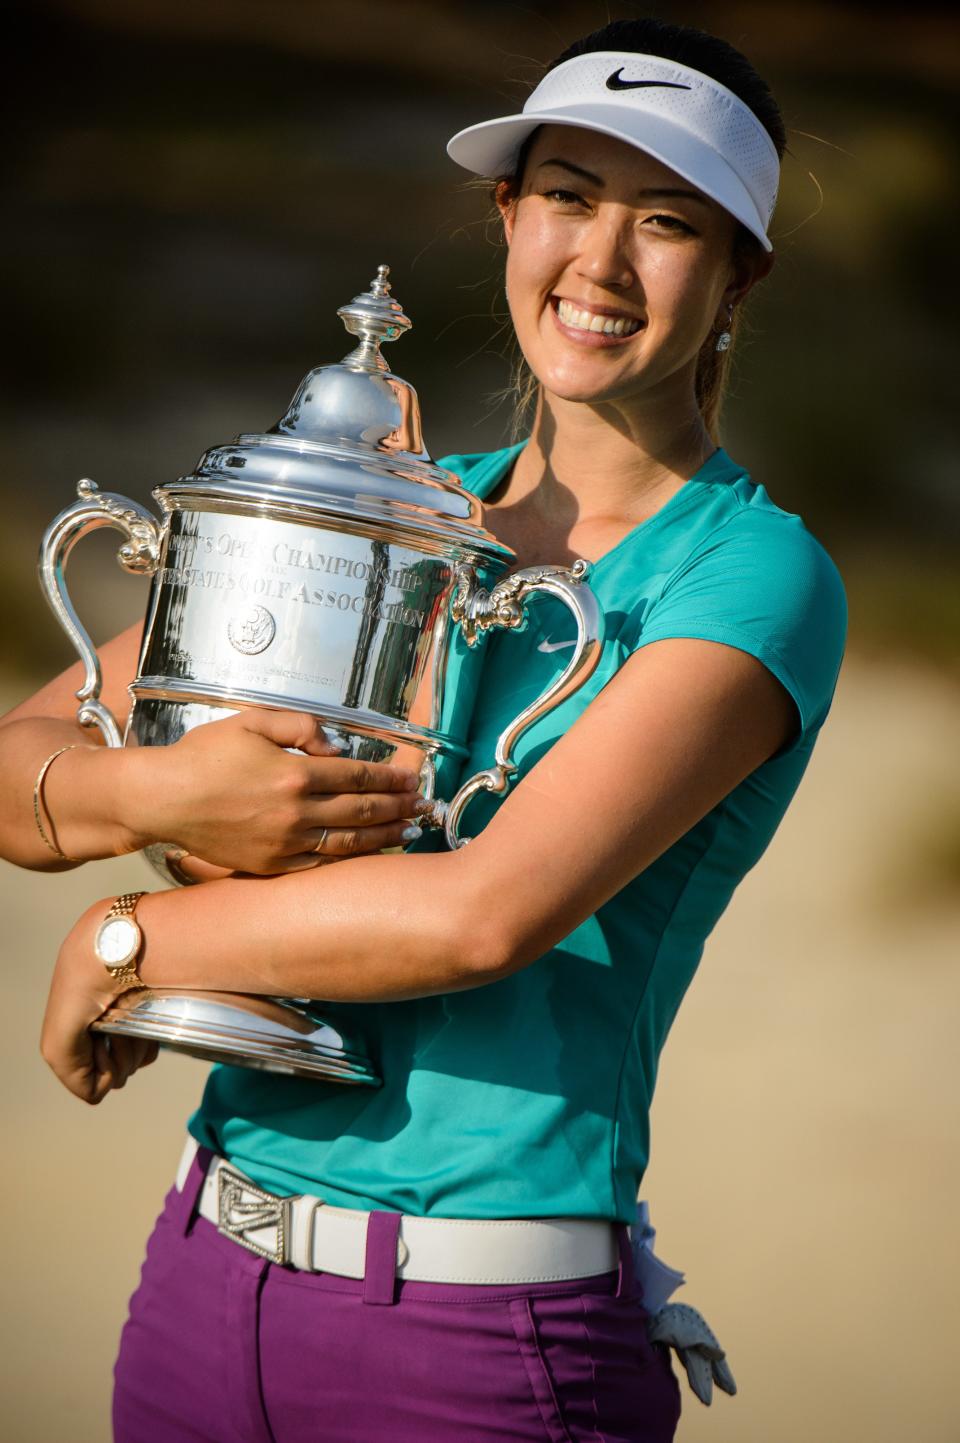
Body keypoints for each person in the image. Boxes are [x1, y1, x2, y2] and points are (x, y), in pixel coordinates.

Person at [1, 17, 847, 1443]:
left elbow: (482, 918)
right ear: (508, 216)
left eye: (669, 223)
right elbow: (20, 758)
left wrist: (128, 940)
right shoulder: (390, 510)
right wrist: (170, 794)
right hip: (205, 1279)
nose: (602, 263)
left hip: (480, 1338)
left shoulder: (753, 577)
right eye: (568, 198)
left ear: (740, 270)